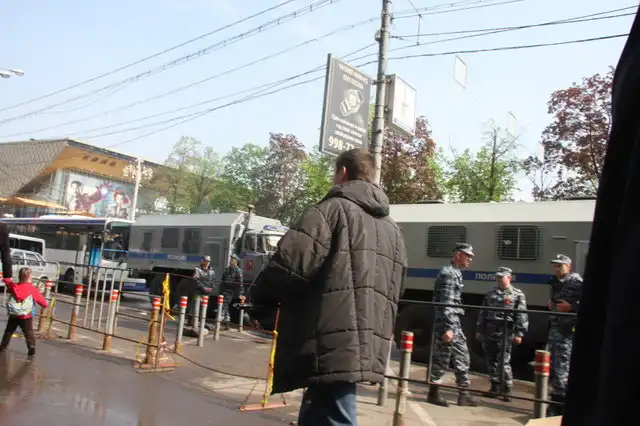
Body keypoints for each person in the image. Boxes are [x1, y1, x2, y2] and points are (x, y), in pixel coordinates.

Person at [251, 148, 408, 426]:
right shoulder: (393, 229)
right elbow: (399, 287)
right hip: (367, 339)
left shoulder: (330, 211)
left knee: (336, 412)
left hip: (329, 338)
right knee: (319, 408)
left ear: (342, 173)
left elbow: (289, 264)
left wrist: (260, 302)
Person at [428, 243, 478, 408]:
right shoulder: (449, 274)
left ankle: (461, 395)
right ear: (458, 255)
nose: (470, 259)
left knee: (454, 357)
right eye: (467, 255)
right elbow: (447, 302)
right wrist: (449, 328)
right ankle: (437, 394)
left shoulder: (454, 272)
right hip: (448, 323)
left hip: (450, 322)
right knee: (449, 358)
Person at [476, 267, 528, 402]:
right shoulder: (490, 293)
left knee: (503, 362)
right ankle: (495, 387)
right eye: (497, 277)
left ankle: (506, 389)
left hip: (506, 332)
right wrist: (480, 330)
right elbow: (483, 312)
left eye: (501, 277)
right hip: (490, 330)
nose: (499, 279)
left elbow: (521, 315)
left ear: (509, 278)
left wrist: (519, 333)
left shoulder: (517, 294)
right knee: (491, 360)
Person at [546, 254, 582, 417]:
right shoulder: (555, 282)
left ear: (569, 267)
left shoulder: (576, 282)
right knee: (553, 364)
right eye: (555, 265)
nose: (556, 269)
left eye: (560, 266)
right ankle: (556, 398)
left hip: (567, 331)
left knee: (562, 365)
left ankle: (560, 403)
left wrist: (572, 307)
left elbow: (590, 301)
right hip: (556, 328)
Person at [0, 267, 48, 356]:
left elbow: (7, 281)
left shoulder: (14, 287)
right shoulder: (32, 289)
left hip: (14, 314)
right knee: (29, 332)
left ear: (19, 276)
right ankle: (31, 348)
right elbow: (43, 303)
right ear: (29, 277)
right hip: (26, 316)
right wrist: (45, 305)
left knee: (9, 331)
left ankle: (3, 347)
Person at [187, 255, 215, 327]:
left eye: (208, 261)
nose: (207, 263)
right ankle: (190, 321)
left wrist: (211, 288)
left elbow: (213, 281)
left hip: (207, 292)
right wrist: (203, 288)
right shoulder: (197, 269)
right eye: (206, 261)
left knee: (204, 307)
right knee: (194, 306)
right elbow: (196, 280)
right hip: (198, 291)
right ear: (203, 261)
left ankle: (201, 322)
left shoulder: (212, 271)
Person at [219, 254, 245, 329]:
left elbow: (240, 283)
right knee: (225, 306)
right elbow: (222, 280)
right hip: (225, 290)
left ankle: (219, 321)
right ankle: (227, 323)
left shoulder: (238, 271)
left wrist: (240, 294)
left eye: (232, 260)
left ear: (236, 261)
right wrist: (221, 290)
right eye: (231, 259)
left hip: (232, 291)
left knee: (224, 306)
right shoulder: (227, 269)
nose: (231, 261)